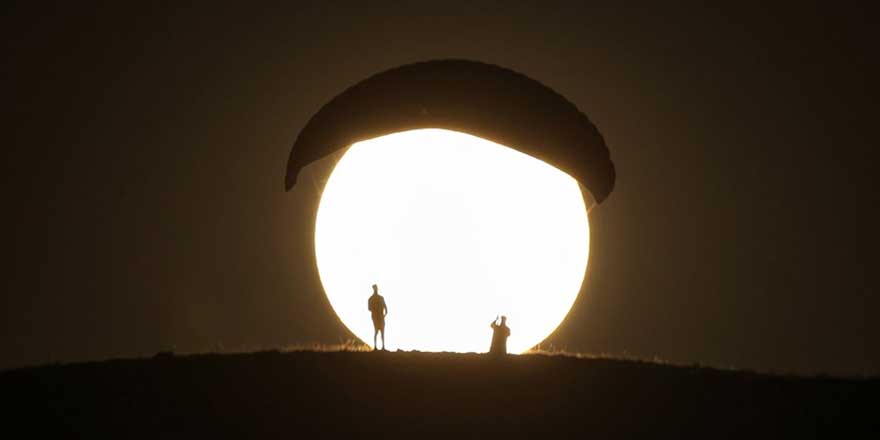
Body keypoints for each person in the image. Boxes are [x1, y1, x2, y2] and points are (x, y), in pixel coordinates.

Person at [367, 284, 387, 351]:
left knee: (381, 331)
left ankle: (382, 346)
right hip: (376, 317)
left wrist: (383, 315)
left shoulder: (374, 298)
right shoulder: (371, 299)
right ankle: (377, 347)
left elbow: (386, 308)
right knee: (377, 331)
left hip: (379, 316)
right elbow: (369, 308)